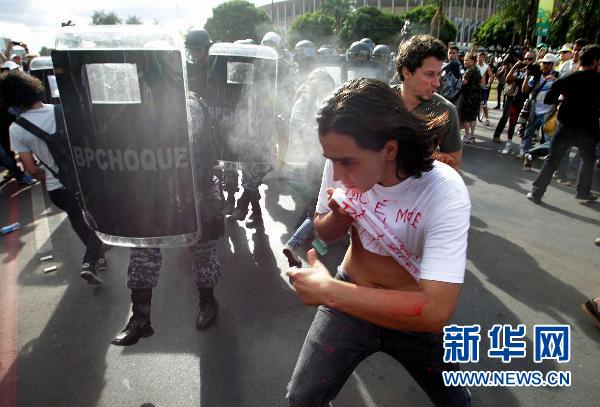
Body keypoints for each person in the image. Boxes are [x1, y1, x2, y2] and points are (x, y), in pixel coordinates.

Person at [286, 78, 471, 406]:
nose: (337, 173)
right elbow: (324, 231)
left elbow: (435, 309)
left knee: (455, 401)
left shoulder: (443, 191)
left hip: (409, 313)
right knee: (302, 397)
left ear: (389, 148)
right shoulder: (342, 160)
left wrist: (329, 292)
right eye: (331, 160)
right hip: (350, 299)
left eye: (348, 162)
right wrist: (340, 217)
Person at [0, 70, 106, 283]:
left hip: (56, 185)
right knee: (98, 217)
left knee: (76, 218)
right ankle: (90, 260)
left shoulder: (17, 129)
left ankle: (97, 258)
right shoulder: (61, 111)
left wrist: (48, 177)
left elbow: (30, 168)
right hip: (84, 177)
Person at [526, 44, 600, 204]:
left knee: (552, 159)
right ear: (595, 62)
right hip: (588, 130)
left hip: (566, 126)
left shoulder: (568, 79)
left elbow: (549, 99)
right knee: (588, 160)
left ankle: (537, 192)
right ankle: (583, 191)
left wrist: (563, 98)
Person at [281, 70, 336, 267]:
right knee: (318, 208)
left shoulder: (305, 101)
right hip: (313, 163)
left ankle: (314, 244)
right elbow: (305, 131)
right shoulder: (311, 102)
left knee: (314, 207)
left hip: (306, 162)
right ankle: (295, 244)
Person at [394, 34, 462, 170]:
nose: (437, 83)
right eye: (430, 74)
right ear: (407, 72)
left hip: (420, 188)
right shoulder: (381, 99)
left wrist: (415, 153)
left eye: (438, 74)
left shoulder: (445, 111)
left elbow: (455, 162)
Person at [493, 51, 536, 153]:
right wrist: (515, 67)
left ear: (534, 60)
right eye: (526, 58)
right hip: (515, 100)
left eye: (530, 59)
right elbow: (508, 79)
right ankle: (509, 144)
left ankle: (523, 146)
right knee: (512, 122)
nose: (527, 61)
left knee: (525, 125)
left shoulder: (536, 70)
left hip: (527, 102)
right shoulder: (520, 70)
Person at [519, 53, 557, 160]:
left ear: (552, 65)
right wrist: (527, 76)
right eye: (544, 63)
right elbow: (524, 90)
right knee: (528, 132)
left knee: (548, 136)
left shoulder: (557, 76)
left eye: (548, 64)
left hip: (549, 111)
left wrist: (555, 80)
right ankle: (526, 153)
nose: (545, 65)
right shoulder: (536, 77)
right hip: (534, 110)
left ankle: (545, 155)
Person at [459, 52, 482, 143]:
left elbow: (464, 82)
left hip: (468, 96)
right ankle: (472, 136)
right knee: (473, 117)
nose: (465, 62)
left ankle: (467, 135)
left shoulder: (469, 70)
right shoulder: (477, 69)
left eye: (467, 60)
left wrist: (461, 76)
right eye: (464, 60)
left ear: (472, 60)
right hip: (476, 96)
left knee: (466, 117)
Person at [476, 51, 494, 126]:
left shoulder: (486, 66)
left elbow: (491, 76)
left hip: (483, 87)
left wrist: (489, 83)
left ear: (484, 58)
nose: (480, 58)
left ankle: (487, 119)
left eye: (482, 57)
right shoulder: (474, 66)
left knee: (484, 104)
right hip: (475, 87)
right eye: (479, 57)